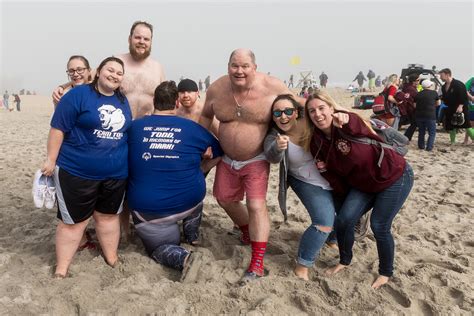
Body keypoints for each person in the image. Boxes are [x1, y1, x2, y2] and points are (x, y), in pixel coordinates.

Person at [199, 48, 302, 281]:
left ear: (254, 68)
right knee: (225, 199)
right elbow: (205, 116)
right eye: (235, 65)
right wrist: (202, 142)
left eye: (245, 66)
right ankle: (247, 231)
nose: (239, 71)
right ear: (228, 67)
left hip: (257, 158)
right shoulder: (217, 88)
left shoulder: (272, 87)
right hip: (226, 158)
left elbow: (298, 106)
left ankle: (256, 261)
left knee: (256, 206)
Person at [304, 90, 414, 289]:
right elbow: (331, 175)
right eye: (312, 111)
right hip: (363, 184)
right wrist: (344, 200)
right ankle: (344, 261)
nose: (318, 114)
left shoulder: (347, 123)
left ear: (331, 108)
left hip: (394, 176)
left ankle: (385, 272)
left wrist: (345, 118)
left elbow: (354, 122)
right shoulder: (317, 142)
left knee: (379, 226)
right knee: (345, 220)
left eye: (321, 108)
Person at [41, 57, 132, 278]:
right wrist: (50, 160)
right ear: (98, 72)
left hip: (115, 174)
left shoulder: (122, 100)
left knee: (108, 217)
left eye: (119, 73)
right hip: (77, 172)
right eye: (110, 70)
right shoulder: (77, 96)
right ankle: (62, 269)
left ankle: (112, 258)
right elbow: (57, 129)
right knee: (73, 223)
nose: (114, 75)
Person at [127, 81, 222, 273]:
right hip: (190, 200)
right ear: (177, 103)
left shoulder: (133, 127)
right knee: (195, 192)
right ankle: (192, 234)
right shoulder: (193, 128)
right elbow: (220, 152)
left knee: (158, 248)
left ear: (154, 101)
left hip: (150, 211)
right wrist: (202, 168)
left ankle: (184, 258)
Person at [264, 94, 338, 281]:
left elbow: (328, 113)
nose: (283, 116)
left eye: (288, 111)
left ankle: (333, 239)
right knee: (323, 222)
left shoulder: (311, 122)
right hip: (304, 180)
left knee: (348, 212)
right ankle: (303, 265)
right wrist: (278, 147)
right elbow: (271, 156)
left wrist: (343, 114)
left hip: (332, 175)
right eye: (277, 113)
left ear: (297, 112)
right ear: (272, 116)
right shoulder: (275, 135)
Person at [53, 21, 165, 119]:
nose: (142, 41)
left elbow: (166, 99)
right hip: (117, 128)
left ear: (151, 42)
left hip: (144, 129)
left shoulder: (158, 68)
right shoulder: (115, 62)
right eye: (137, 37)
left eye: (146, 39)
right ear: (129, 39)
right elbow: (86, 77)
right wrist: (63, 87)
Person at [439, 68, 474, 145]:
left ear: (447, 74)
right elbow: (445, 97)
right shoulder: (444, 86)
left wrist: (460, 106)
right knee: (451, 125)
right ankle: (452, 142)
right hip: (450, 108)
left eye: (441, 76)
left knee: (467, 125)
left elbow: (463, 96)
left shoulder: (458, 84)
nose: (440, 78)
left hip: (461, 107)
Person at [414, 80, 441, 151]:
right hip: (430, 115)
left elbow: (415, 105)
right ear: (430, 86)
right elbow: (438, 104)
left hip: (419, 115)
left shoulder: (418, 94)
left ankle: (421, 146)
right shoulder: (434, 93)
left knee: (421, 132)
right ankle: (429, 147)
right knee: (432, 132)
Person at [401, 74, 419, 140]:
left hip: (408, 108)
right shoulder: (410, 89)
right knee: (414, 123)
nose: (418, 82)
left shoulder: (407, 87)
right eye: (418, 80)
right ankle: (406, 137)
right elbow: (414, 98)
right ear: (413, 81)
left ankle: (407, 137)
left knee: (414, 124)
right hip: (410, 108)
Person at [465, 76, 474, 145]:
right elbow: (464, 89)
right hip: (471, 106)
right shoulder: (472, 80)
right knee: (470, 124)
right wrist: (470, 97)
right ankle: (466, 139)